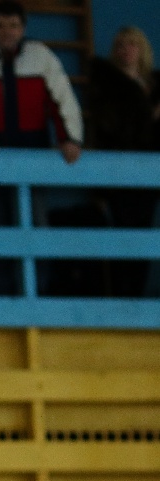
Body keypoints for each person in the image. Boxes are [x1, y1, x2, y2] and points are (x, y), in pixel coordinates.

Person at [0, 0, 84, 295]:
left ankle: (37, 298)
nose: (7, 32)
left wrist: (70, 138)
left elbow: (62, 99)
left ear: (23, 28)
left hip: (33, 159)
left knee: (36, 229)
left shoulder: (40, 55)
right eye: (0, 25)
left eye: (13, 25)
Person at [87, 26, 160, 297]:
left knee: (144, 237)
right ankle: (122, 297)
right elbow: (109, 130)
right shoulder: (107, 86)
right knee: (122, 238)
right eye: (120, 44)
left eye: (132, 44)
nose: (126, 50)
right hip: (119, 172)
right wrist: (148, 115)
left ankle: (137, 297)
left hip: (150, 173)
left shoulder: (154, 85)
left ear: (142, 50)